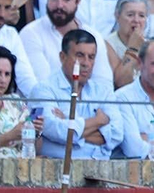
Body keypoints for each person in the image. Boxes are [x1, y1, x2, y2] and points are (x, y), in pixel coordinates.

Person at [38, 28, 121, 159]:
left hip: (100, 169)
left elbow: (117, 135)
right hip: (59, 169)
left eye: (91, 57)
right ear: (62, 57)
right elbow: (55, 131)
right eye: (80, 55)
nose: (86, 63)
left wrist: (67, 120)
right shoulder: (43, 90)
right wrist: (98, 121)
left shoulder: (103, 91)